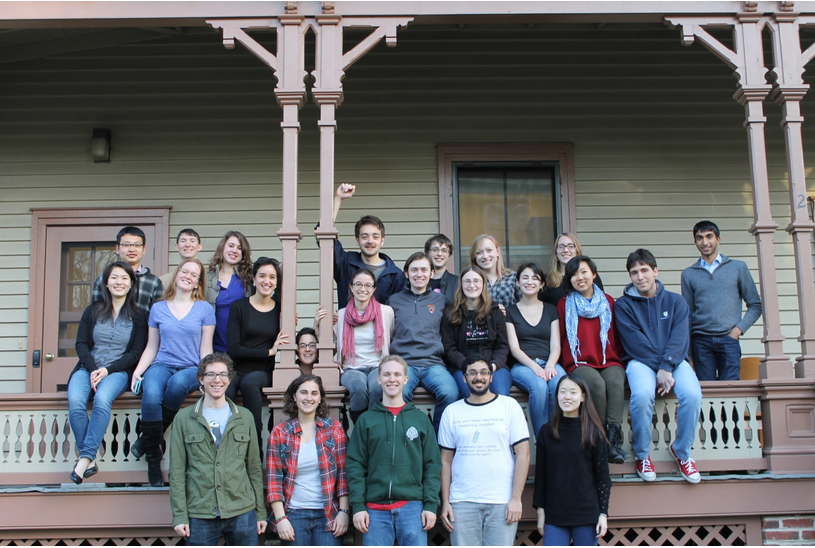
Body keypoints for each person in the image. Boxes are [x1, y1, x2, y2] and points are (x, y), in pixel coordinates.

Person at [616, 249, 703, 484]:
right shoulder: (623, 306)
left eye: (644, 270)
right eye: (634, 272)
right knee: (643, 395)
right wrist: (660, 368)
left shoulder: (676, 301)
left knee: (693, 395)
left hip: (674, 361)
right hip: (639, 361)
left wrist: (667, 366)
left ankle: (682, 452)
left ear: (655, 271)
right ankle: (642, 455)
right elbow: (635, 343)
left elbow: (680, 338)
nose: (640, 276)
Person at [131, 258, 216, 486]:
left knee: (177, 385)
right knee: (150, 395)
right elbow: (152, 346)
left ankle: (146, 441)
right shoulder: (158, 308)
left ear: (198, 283)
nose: (188, 276)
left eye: (194, 275)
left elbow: (206, 348)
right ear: (177, 274)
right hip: (162, 364)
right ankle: (153, 457)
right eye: (184, 271)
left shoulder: (205, 309)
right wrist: (138, 372)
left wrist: (206, 376)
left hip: (190, 367)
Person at [168, 353, 266, 546]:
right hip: (200, 512)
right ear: (201, 379)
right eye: (211, 374)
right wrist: (180, 515)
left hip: (242, 511)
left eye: (222, 374)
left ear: (230, 380)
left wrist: (260, 511)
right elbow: (177, 472)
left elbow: (254, 468)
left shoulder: (244, 417)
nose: (217, 380)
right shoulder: (184, 418)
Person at [346, 355, 442, 547]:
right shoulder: (366, 421)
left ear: (405, 380)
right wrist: (357, 506)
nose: (392, 379)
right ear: (378, 379)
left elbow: (432, 465)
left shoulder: (420, 420)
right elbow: (355, 466)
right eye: (387, 374)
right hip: (374, 510)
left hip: (413, 508)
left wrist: (431, 504)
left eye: (397, 374)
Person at [68, 261, 148, 484]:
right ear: (106, 283)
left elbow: (135, 352)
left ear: (131, 284)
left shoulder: (139, 316)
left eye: (124, 278)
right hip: (87, 369)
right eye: (114, 277)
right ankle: (91, 460)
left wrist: (107, 370)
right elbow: (81, 344)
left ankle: (84, 458)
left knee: (103, 399)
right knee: (75, 401)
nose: (119, 282)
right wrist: (94, 369)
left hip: (118, 372)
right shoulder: (92, 310)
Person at [438, 355, 530, 546]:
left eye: (483, 372)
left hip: (501, 501)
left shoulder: (509, 406)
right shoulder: (452, 411)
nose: (478, 377)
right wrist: (446, 501)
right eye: (472, 373)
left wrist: (515, 498)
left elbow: (523, 454)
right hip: (462, 502)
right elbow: (445, 461)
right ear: (464, 378)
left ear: (491, 377)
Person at [558, 255, 628, 464]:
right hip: (578, 362)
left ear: (593, 275)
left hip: (608, 359)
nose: (579, 277)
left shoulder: (607, 301)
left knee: (615, 382)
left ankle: (613, 440)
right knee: (596, 384)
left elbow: (615, 333)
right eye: (573, 274)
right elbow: (561, 335)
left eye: (583, 272)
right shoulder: (564, 304)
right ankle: (601, 439)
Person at [266, 375, 350, 546]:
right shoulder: (280, 433)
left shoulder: (334, 429)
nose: (308, 398)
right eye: (303, 392)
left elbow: (343, 474)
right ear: (294, 397)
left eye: (314, 393)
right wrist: (281, 518)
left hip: (328, 514)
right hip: (294, 514)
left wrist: (344, 511)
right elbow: (274, 480)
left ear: (320, 399)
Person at [533, 375, 611, 547]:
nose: (567, 396)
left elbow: (603, 478)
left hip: (586, 514)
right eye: (562, 392)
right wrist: (540, 511)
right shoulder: (547, 432)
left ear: (583, 397)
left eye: (573, 392)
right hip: (555, 514)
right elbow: (541, 476)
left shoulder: (594, 433)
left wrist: (603, 514)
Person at [681, 220, 762, 381]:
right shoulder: (688, 274)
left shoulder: (738, 268)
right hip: (700, 342)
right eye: (699, 238)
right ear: (695, 242)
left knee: (731, 392)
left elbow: (755, 305)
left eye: (709, 236)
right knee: (706, 393)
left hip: (729, 339)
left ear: (718, 239)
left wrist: (737, 331)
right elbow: (687, 315)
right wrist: (688, 352)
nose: (705, 242)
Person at [387, 252, 458, 432]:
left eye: (424, 270)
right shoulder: (393, 301)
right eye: (414, 270)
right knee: (399, 393)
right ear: (406, 274)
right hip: (403, 364)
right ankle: (410, 438)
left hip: (432, 363)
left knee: (450, 393)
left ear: (431, 273)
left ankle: (434, 442)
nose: (419, 274)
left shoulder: (442, 301)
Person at [226, 257, 289, 442]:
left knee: (249, 383)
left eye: (272, 277)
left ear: (277, 282)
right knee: (225, 386)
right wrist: (268, 352)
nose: (266, 281)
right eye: (262, 276)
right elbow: (234, 348)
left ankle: (254, 442)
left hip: (263, 371)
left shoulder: (281, 311)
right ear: (253, 279)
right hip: (237, 367)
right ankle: (227, 442)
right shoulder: (239, 307)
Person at [506, 263, 565, 437]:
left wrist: (550, 366)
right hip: (522, 366)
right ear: (517, 282)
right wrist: (535, 367)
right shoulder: (510, 311)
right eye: (525, 277)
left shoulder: (550, 310)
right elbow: (514, 348)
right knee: (539, 386)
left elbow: (556, 345)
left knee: (559, 385)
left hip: (550, 362)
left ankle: (558, 436)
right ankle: (542, 439)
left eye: (535, 278)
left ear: (542, 285)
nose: (529, 282)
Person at [440, 266, 511, 398]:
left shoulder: (495, 311)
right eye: (467, 281)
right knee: (469, 395)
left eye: (476, 281)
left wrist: (492, 366)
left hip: (493, 366)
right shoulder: (451, 313)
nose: (472, 285)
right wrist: (468, 367)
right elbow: (449, 348)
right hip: (462, 366)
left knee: (500, 394)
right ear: (461, 285)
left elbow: (503, 346)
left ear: (483, 284)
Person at [331, 184, 404, 309]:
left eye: (375, 237)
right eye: (365, 236)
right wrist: (338, 199)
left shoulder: (395, 275)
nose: (370, 241)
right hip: (348, 327)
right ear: (357, 240)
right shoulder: (345, 263)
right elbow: (324, 237)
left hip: (381, 328)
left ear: (382, 240)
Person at [335, 268, 394, 424]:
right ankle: (361, 428)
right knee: (359, 387)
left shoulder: (385, 312)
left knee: (376, 387)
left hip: (378, 366)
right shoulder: (341, 315)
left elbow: (392, 336)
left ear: (374, 289)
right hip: (351, 367)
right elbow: (331, 342)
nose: (363, 289)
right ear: (351, 287)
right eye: (358, 284)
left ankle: (375, 428)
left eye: (368, 285)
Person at [92, 226, 164, 314]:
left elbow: (160, 316)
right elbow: (95, 314)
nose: (132, 249)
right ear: (117, 249)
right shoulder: (104, 279)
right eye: (126, 245)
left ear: (143, 249)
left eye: (137, 245)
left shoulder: (154, 282)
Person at [206, 231, 253, 353]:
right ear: (223, 247)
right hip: (213, 347)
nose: (234, 250)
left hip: (242, 346)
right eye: (231, 246)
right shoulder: (207, 278)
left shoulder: (249, 279)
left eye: (239, 248)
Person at [542, 233, 604, 307]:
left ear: (577, 251)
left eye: (570, 246)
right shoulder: (547, 279)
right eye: (561, 246)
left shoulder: (589, 276)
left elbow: (602, 302)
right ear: (556, 253)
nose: (565, 250)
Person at [469, 234, 519, 308]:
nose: (485, 256)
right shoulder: (471, 282)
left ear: (498, 252)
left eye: (489, 250)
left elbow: (524, 307)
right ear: (474, 257)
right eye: (479, 252)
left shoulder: (513, 278)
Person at [425, 234, 458, 303]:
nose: (439, 253)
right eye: (435, 249)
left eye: (444, 250)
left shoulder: (458, 282)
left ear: (449, 254)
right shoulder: (419, 281)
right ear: (427, 253)